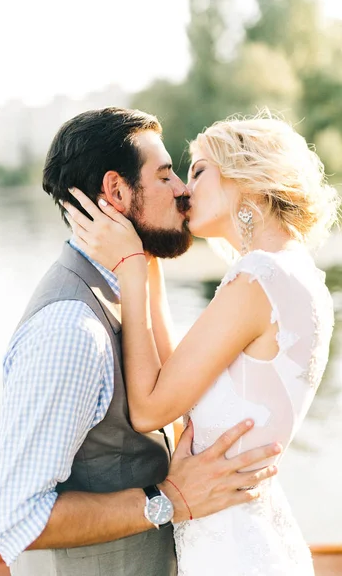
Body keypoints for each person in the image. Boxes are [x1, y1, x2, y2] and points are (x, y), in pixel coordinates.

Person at [0, 108, 280, 576]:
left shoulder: (124, 286)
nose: (183, 189)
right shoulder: (70, 331)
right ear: (117, 192)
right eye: (165, 177)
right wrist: (169, 501)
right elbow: (13, 519)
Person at [62, 111, 340, 576]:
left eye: (198, 170)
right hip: (245, 541)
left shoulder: (259, 279)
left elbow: (151, 410)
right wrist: (147, 262)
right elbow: (176, 385)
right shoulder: (289, 272)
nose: (185, 190)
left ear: (245, 175)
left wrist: (129, 268)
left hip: (232, 555)